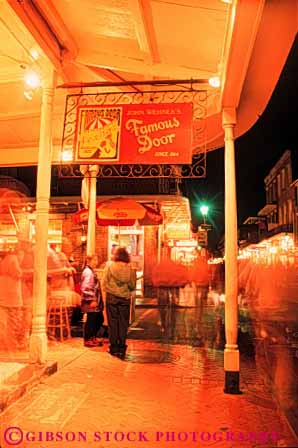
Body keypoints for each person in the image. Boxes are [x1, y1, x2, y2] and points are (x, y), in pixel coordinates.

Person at [101, 247, 136, 359]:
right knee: (123, 323)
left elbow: (104, 282)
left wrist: (110, 289)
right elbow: (132, 285)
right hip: (125, 299)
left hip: (112, 298)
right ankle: (121, 347)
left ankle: (113, 347)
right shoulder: (130, 268)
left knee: (113, 323)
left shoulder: (109, 266)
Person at [80, 254, 104, 347]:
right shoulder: (88, 272)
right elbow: (86, 287)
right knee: (92, 319)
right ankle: (88, 339)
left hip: (94, 300)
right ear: (88, 261)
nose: (96, 262)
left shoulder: (90, 271)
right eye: (94, 260)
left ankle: (92, 337)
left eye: (96, 260)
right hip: (90, 301)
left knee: (97, 319)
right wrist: (91, 299)